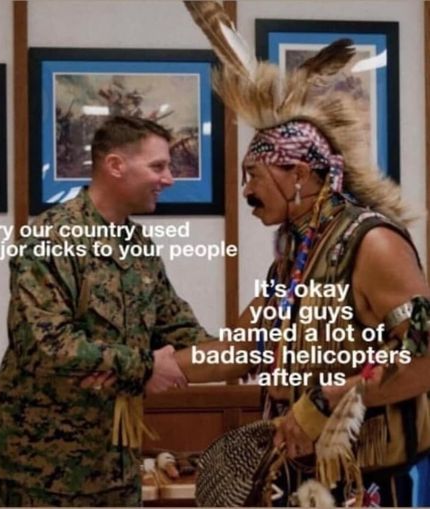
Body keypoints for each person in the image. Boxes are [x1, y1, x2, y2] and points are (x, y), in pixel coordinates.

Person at [184, 3, 430, 504]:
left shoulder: (372, 243)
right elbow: (246, 347)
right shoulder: (298, 256)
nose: (246, 191)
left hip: (368, 482)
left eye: (253, 175)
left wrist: (326, 400)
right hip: (298, 478)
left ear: (298, 174)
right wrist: (156, 368)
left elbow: (423, 353)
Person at [0, 115, 217, 507]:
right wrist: (145, 366)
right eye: (158, 166)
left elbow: (180, 330)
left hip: (116, 468)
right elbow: (48, 347)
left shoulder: (136, 245)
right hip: (44, 473)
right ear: (115, 165)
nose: (168, 179)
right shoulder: (52, 238)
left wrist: (250, 351)